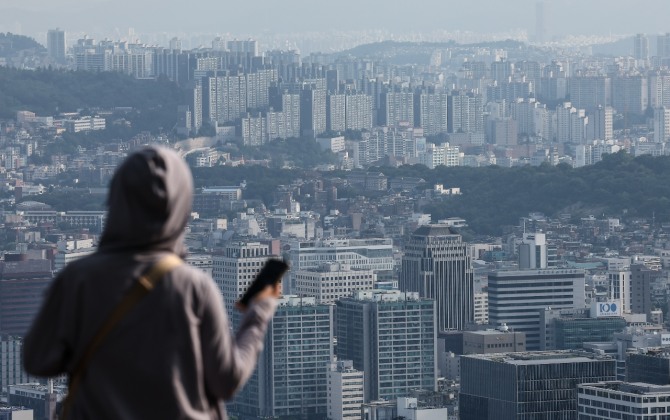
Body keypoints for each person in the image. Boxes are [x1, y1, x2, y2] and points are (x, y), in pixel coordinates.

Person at [23, 146, 280, 419]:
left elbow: (38, 359)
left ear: (117, 201)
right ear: (179, 206)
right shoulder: (193, 287)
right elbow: (226, 380)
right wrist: (257, 316)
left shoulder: (78, 279)